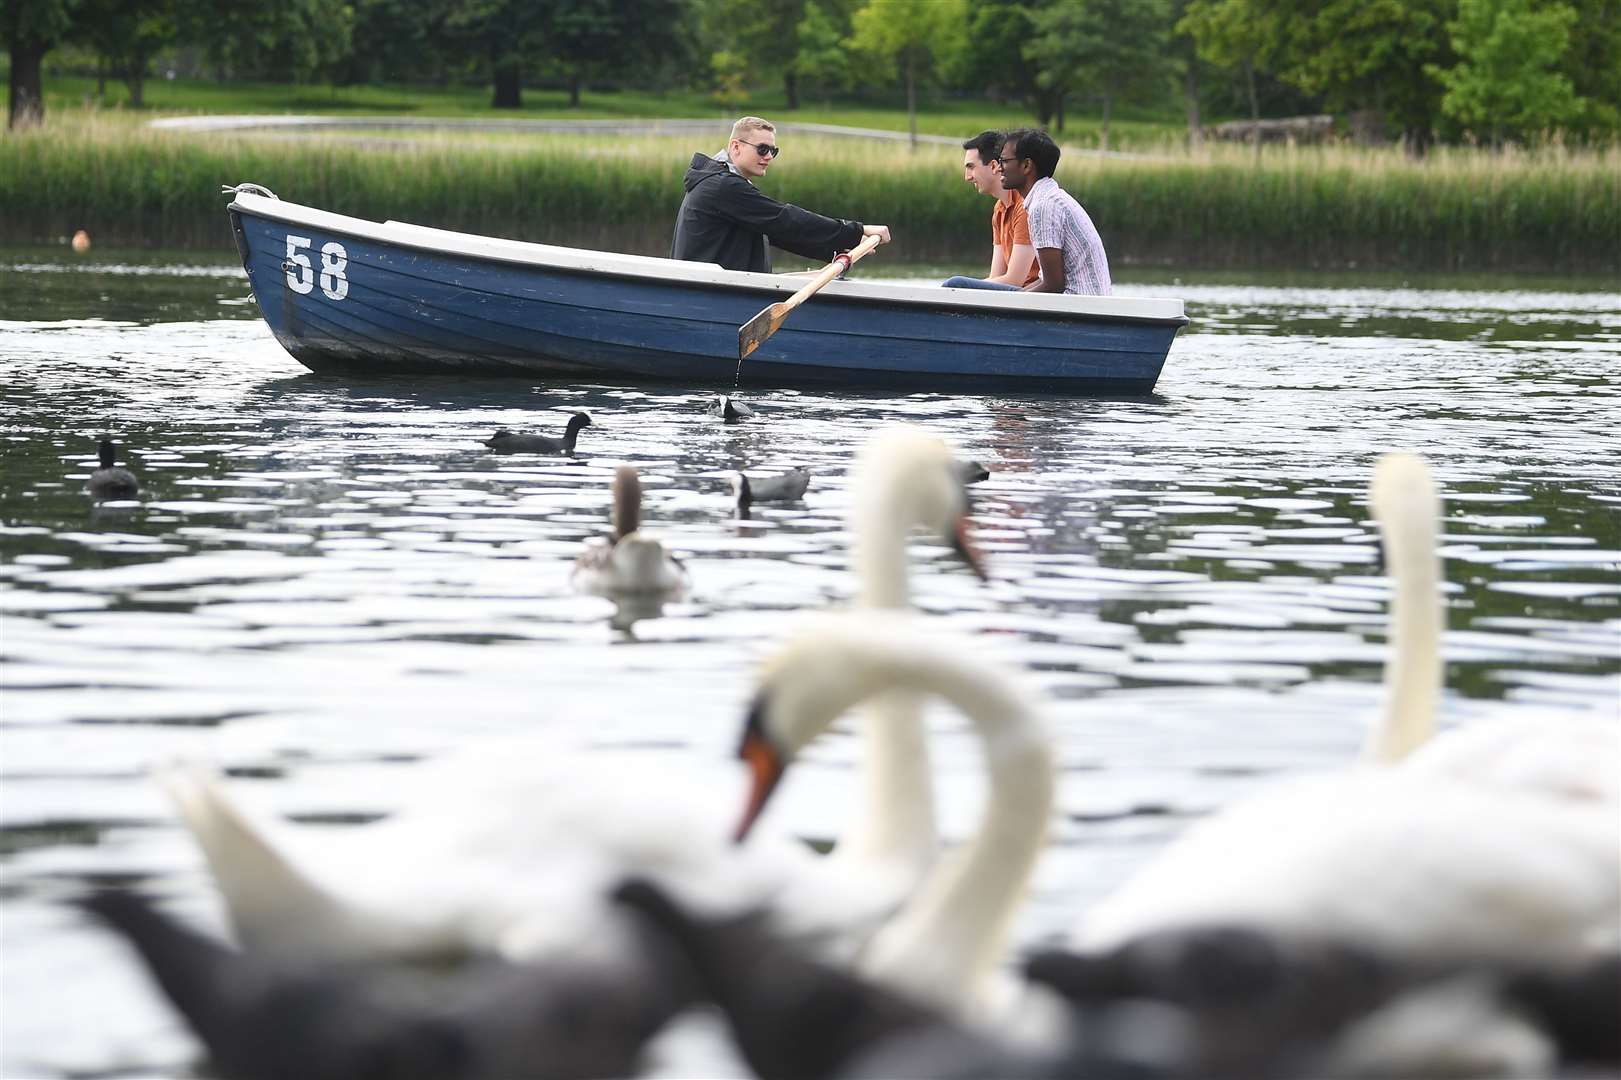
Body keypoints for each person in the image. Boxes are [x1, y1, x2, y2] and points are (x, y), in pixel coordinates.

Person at [672, 116, 890, 274]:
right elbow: (783, 219)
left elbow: (777, 233)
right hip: (709, 294)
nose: (768, 157)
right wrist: (856, 231)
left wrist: (837, 250)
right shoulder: (722, 186)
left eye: (773, 151)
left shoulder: (725, 183)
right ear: (735, 147)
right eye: (762, 149)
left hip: (721, 291)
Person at [996, 129, 1111, 295]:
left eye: (1004, 161)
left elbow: (1054, 285)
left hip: (1079, 307)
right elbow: (1047, 282)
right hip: (1080, 303)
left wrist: (1010, 302)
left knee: (957, 284)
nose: (999, 168)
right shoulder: (1047, 197)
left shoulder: (1043, 207)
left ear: (1027, 165)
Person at [942, 130, 1039, 292]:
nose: (967, 177)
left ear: (994, 166)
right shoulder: (999, 210)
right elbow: (996, 276)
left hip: (1034, 297)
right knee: (958, 288)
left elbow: (1014, 280)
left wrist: (963, 291)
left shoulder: (1024, 207)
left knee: (955, 285)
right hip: (1016, 296)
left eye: (971, 167)